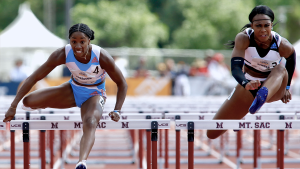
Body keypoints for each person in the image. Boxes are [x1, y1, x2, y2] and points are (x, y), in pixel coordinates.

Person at [3, 23, 128, 169]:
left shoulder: (101, 56)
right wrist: (13, 106)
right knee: (28, 101)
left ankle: (81, 162)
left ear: (89, 41)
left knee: (90, 121)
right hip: (72, 89)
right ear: (69, 41)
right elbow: (34, 77)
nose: (78, 46)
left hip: (94, 93)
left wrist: (117, 110)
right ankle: (41, 104)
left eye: (82, 41)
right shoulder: (62, 54)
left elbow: (122, 83)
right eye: (73, 41)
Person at [207, 5, 296, 139]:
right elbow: (236, 68)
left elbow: (292, 59)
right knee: (212, 133)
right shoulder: (243, 39)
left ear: (272, 25)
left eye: (267, 25)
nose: (263, 30)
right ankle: (250, 105)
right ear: (252, 26)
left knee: (280, 68)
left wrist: (287, 87)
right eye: (258, 26)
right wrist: (245, 83)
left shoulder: (281, 45)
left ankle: (263, 94)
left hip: (274, 87)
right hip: (249, 87)